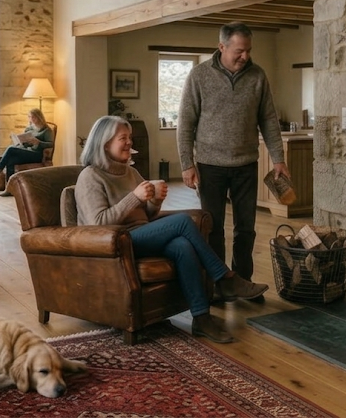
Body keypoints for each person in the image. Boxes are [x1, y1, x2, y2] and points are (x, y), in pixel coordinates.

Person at [75, 115, 269, 343]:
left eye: (129, 137)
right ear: (105, 143)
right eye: (123, 138)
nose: (129, 142)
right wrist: (135, 197)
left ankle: (201, 318)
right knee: (183, 222)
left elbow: (146, 216)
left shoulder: (130, 172)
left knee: (182, 246)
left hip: (140, 235)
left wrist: (154, 201)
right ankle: (225, 278)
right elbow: (98, 223)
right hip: (115, 241)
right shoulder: (90, 176)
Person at [177, 21, 289, 301]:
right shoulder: (199, 75)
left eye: (248, 50)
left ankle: (243, 282)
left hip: (246, 165)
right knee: (213, 228)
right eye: (239, 51)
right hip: (209, 166)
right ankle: (219, 283)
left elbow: (269, 120)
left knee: (246, 229)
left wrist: (278, 159)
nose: (245, 56)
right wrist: (187, 164)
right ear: (222, 47)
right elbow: (186, 123)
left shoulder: (258, 76)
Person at [0, 108, 54, 196]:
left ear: (39, 117)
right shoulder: (30, 128)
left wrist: (39, 142)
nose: (31, 119)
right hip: (27, 151)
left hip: (37, 154)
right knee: (10, 160)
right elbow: (25, 143)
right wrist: (21, 141)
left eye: (33, 117)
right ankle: (9, 189)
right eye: (30, 117)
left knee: (10, 148)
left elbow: (51, 144)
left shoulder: (46, 130)